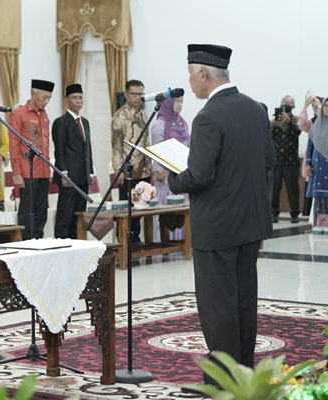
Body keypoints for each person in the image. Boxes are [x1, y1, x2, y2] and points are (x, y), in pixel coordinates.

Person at [163, 44, 274, 389]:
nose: (190, 83)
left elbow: (197, 176)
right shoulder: (255, 109)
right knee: (243, 299)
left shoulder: (208, 116)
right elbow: (267, 163)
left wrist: (172, 177)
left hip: (217, 225)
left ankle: (222, 380)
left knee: (217, 305)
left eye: (190, 74)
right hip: (250, 223)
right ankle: (243, 373)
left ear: (203, 73)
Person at [9, 79, 54, 239]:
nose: (46, 101)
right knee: (27, 213)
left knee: (41, 212)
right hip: (27, 172)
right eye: (44, 97)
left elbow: (46, 145)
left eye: (49, 98)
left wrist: (48, 170)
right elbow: (13, 145)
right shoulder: (18, 114)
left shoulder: (44, 115)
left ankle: (38, 243)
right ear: (32, 94)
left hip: (42, 171)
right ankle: (25, 245)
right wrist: (17, 173)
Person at [111, 79, 151, 245]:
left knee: (140, 208)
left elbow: (147, 142)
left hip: (143, 170)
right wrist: (118, 170)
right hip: (127, 170)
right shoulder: (120, 116)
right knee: (127, 209)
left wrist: (150, 166)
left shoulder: (143, 115)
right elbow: (116, 146)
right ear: (126, 95)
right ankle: (125, 242)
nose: (137, 97)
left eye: (140, 94)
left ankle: (136, 239)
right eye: (134, 94)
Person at [52, 84, 94, 239]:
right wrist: (63, 173)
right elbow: (60, 150)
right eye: (74, 98)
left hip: (83, 176)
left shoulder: (85, 122)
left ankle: (77, 246)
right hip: (69, 177)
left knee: (79, 216)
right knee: (65, 215)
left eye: (80, 97)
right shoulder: (61, 122)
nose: (78, 101)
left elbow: (87, 149)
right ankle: (61, 247)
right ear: (66, 100)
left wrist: (90, 171)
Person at [151, 97, 189, 242]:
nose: (180, 105)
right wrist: (159, 169)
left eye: (181, 102)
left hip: (181, 171)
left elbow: (188, 145)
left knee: (182, 205)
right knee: (167, 206)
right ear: (168, 103)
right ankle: (164, 241)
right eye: (177, 102)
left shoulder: (183, 122)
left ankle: (182, 242)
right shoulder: (160, 124)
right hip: (165, 173)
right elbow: (156, 149)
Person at [270, 95, 301, 223]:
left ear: (293, 106)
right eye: (283, 102)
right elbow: (267, 136)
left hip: (291, 160)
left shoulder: (298, 119)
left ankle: (294, 213)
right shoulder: (274, 120)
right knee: (274, 189)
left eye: (288, 103)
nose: (285, 104)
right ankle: (273, 213)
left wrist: (290, 122)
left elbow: (298, 133)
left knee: (292, 188)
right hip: (276, 160)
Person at [304, 99, 328, 226]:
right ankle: (320, 227)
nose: (327, 108)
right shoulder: (317, 126)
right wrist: (308, 164)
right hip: (318, 167)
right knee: (320, 199)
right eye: (326, 105)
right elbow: (310, 146)